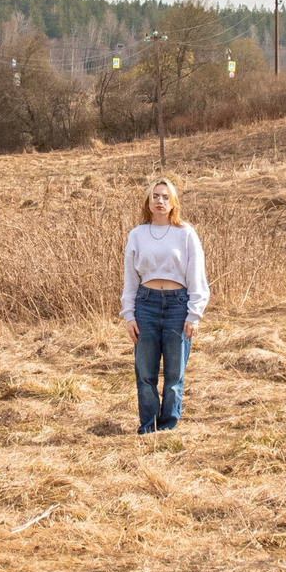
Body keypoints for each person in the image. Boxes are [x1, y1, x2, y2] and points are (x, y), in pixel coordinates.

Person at [121, 178, 209, 434]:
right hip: (145, 306)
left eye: (165, 197)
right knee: (145, 373)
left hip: (177, 306)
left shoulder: (186, 233)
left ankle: (168, 426)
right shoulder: (137, 234)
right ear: (147, 202)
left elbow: (197, 276)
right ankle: (148, 427)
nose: (160, 201)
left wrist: (194, 314)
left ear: (173, 203)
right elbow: (130, 279)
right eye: (155, 196)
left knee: (174, 374)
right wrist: (129, 314)